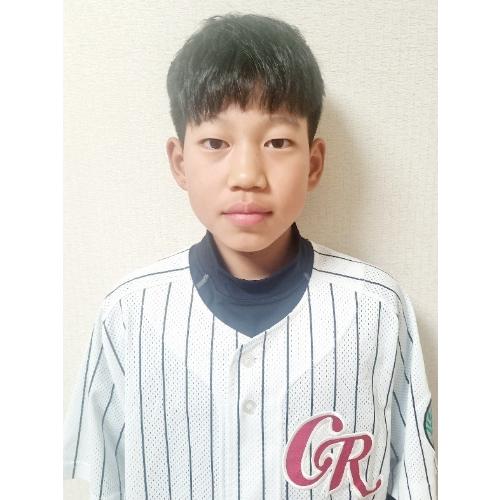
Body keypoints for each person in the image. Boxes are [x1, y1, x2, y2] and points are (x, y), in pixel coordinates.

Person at [63, 13, 437, 500]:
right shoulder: (130, 313)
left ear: (313, 163)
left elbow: (415, 483)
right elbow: (100, 483)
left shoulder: (377, 309)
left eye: (277, 142)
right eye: (215, 142)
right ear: (180, 162)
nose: (247, 175)